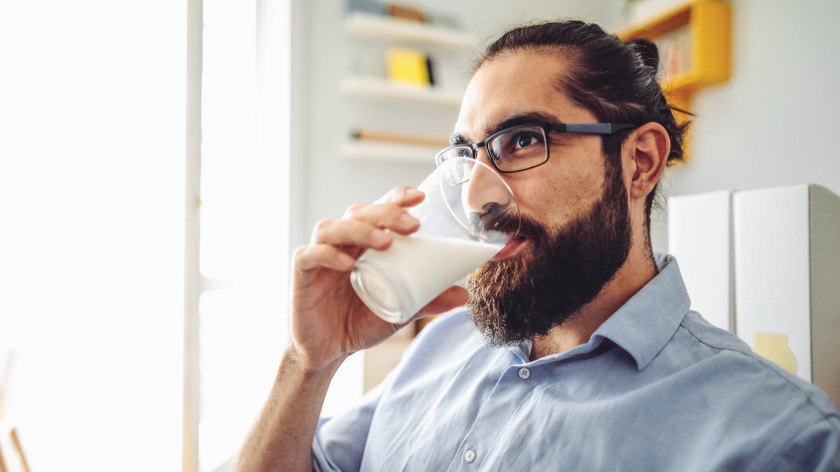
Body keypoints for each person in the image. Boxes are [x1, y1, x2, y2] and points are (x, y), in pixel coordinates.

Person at [235, 20, 840, 471]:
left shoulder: (781, 438)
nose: (475, 196)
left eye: (521, 140)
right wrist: (308, 364)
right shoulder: (442, 344)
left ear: (640, 161)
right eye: (467, 155)